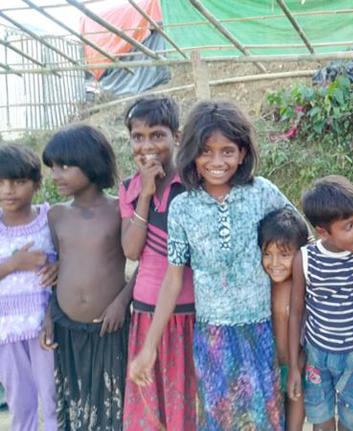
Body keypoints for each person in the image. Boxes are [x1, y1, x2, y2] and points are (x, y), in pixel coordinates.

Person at [128, 100, 291, 431]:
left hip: (260, 330)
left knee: (265, 418)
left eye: (227, 151)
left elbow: (298, 240)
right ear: (192, 153)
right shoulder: (183, 207)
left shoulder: (262, 193)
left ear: (242, 153)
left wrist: (289, 304)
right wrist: (149, 347)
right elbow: (173, 280)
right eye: (206, 151)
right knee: (219, 421)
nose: (217, 162)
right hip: (212, 338)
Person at [40, 125, 132, 430]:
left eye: (64, 167)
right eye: (53, 167)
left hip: (109, 326)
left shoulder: (119, 210)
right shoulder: (56, 214)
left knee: (112, 404)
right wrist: (49, 315)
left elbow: (147, 265)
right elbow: (59, 267)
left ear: (91, 163)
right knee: (74, 401)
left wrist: (122, 302)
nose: (56, 175)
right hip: (66, 327)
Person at [119, 97, 196, 430]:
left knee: (186, 410)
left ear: (176, 136)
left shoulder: (193, 184)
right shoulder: (130, 188)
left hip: (189, 315)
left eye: (157, 135)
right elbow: (131, 250)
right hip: (145, 314)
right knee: (150, 413)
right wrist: (146, 194)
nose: (147, 146)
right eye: (138, 137)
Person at [288, 176, 353, 431]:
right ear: (323, 232)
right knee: (321, 420)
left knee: (351, 422)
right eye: (349, 226)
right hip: (316, 356)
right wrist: (294, 366)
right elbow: (296, 313)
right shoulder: (305, 259)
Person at [0, 143, 58, 431]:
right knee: (20, 403)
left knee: (53, 398)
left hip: (45, 326)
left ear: (37, 184)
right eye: (1, 183)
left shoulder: (51, 219)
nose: (8, 190)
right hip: (6, 331)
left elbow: (70, 256)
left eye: (18, 181)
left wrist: (60, 266)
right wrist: (13, 264)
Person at [258, 208, 309, 431]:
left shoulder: (304, 288)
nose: (275, 262)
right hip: (269, 370)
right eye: (267, 253)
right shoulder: (262, 287)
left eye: (284, 254)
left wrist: (298, 367)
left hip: (298, 368)